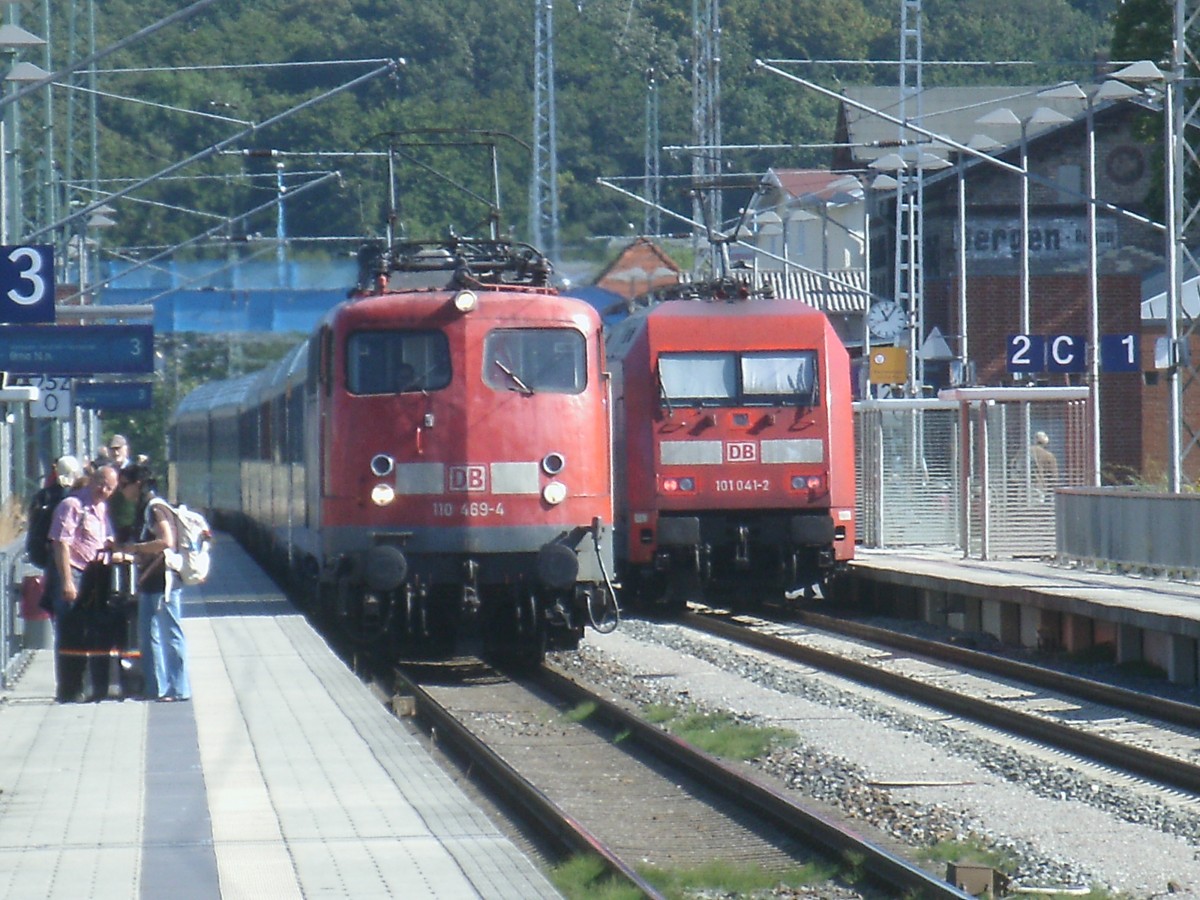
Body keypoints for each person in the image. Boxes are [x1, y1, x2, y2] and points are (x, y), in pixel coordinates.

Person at [46, 464, 119, 702]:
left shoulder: (101, 508)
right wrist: (67, 581)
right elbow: (61, 544)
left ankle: (86, 686)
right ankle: (68, 689)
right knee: (70, 631)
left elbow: (106, 539)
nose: (104, 490)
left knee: (88, 632)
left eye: (110, 488)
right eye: (101, 484)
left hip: (95, 575)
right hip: (74, 573)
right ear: (92, 480)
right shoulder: (72, 505)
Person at [118, 465, 190, 702]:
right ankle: (155, 688)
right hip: (149, 580)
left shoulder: (155, 508)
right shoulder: (144, 508)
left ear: (138, 483)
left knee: (170, 635)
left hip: (164, 581)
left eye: (124, 484)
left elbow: (166, 541)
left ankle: (178, 688)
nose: (122, 490)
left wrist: (136, 548)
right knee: (149, 636)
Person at [107, 435, 138, 541]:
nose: (116, 453)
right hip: (111, 523)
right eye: (112, 450)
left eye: (118, 449)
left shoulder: (135, 470)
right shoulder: (107, 472)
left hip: (133, 523)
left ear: (126, 449)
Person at [1031, 431, 1060, 501]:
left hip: (1024, 488)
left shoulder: (1024, 452)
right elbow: (1054, 477)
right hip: (1039, 488)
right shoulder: (1049, 456)